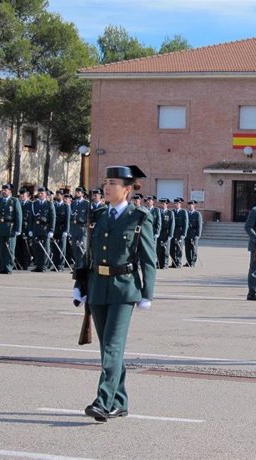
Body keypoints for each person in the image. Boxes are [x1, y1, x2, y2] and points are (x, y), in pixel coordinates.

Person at [73, 165, 156, 423]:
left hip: (124, 289)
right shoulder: (97, 214)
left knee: (112, 346)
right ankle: (120, 402)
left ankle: (102, 400)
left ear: (127, 189)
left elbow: (148, 258)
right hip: (98, 287)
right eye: (105, 182)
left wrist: (147, 292)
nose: (106, 187)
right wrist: (80, 283)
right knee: (108, 349)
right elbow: (88, 253)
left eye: (113, 183)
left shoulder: (139, 217)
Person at [0, 183, 23, 274]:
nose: (4, 192)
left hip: (10, 227)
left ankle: (9, 267)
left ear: (10, 191)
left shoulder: (14, 201)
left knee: (10, 249)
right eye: (3, 190)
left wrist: (18, 229)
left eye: (6, 190)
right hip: (0, 227)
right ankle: (3, 267)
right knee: (1, 249)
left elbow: (18, 215)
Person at [29, 187, 56, 272]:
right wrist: (30, 229)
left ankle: (44, 265)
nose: (40, 195)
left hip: (45, 229)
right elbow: (31, 218)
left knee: (45, 248)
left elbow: (52, 217)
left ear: (46, 195)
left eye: (42, 193)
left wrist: (51, 230)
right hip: (36, 229)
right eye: (39, 193)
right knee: (36, 248)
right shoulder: (34, 204)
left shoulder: (49, 204)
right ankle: (38, 265)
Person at [170, 198, 188, 268]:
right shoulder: (173, 212)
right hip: (173, 232)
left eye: (177, 204)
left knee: (179, 248)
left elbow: (185, 224)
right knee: (172, 249)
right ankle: (173, 262)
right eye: (175, 203)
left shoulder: (183, 212)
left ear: (180, 204)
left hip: (180, 231)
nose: (176, 205)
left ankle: (179, 262)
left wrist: (184, 234)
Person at [156, 198, 174, 269]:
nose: (162, 205)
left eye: (164, 204)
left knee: (166, 249)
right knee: (159, 249)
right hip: (160, 232)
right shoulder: (159, 212)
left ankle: (165, 264)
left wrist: (170, 235)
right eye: (161, 204)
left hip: (166, 233)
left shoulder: (170, 213)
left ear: (167, 205)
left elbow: (172, 224)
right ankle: (159, 263)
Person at [184, 200, 202, 267]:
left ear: (194, 206)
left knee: (194, 249)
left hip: (194, 233)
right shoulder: (186, 213)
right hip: (187, 233)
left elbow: (199, 225)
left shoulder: (197, 214)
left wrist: (198, 235)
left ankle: (193, 262)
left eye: (192, 205)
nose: (190, 206)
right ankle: (188, 261)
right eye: (189, 205)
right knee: (187, 248)